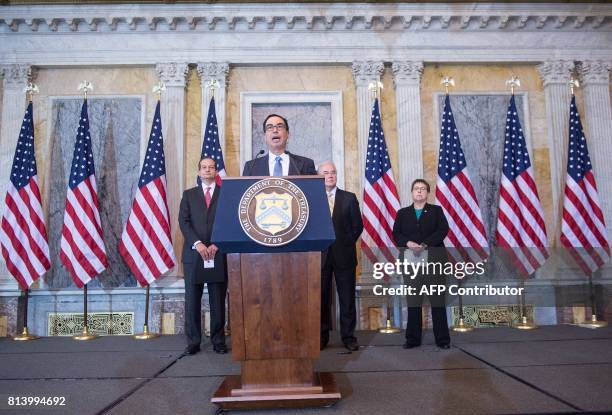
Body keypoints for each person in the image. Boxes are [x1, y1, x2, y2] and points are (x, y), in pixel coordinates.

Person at [392, 179, 451, 349]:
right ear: (412, 192)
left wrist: (425, 244)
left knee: (437, 301)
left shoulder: (436, 211)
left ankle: (442, 340)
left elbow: (442, 230)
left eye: (423, 189)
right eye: (416, 189)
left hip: (433, 262)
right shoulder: (402, 213)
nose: (419, 191)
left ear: (427, 193)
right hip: (411, 263)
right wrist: (409, 243)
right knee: (413, 301)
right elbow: (396, 233)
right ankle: (412, 339)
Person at [178, 158, 228, 355]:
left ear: (216, 171)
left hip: (218, 253)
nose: (208, 170)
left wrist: (218, 244)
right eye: (204, 167)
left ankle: (218, 341)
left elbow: (229, 221)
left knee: (217, 299)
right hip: (194, 255)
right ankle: (193, 341)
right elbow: (184, 222)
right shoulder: (189, 195)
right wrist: (198, 244)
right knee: (192, 300)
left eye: (211, 167)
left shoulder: (225, 195)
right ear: (198, 172)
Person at [319, 161, 364, 352]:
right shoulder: (313, 199)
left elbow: (357, 227)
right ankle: (321, 337)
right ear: (319, 176)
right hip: (319, 257)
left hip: (344, 256)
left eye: (333, 172)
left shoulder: (349, 197)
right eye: (326, 173)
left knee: (346, 299)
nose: (330, 175)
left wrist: (344, 243)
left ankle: (348, 337)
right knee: (321, 298)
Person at [242, 114, 317, 176]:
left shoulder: (306, 164)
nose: (275, 130)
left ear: (288, 134)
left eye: (280, 126)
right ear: (265, 136)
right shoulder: (251, 167)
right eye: (270, 127)